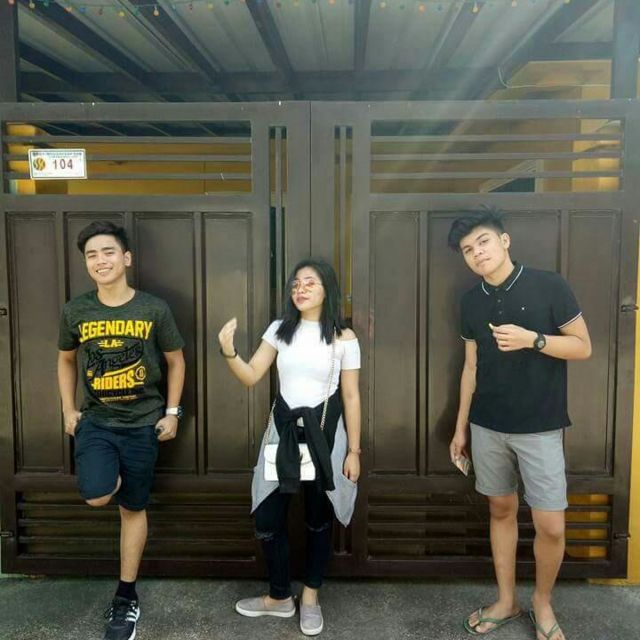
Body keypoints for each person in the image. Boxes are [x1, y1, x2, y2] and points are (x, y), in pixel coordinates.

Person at [448, 210, 591, 640]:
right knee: (500, 509)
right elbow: (470, 367)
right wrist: (460, 428)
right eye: (468, 250)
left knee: (551, 525)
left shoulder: (549, 285)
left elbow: (583, 347)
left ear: (505, 240)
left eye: (483, 242)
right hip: (487, 424)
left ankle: (542, 602)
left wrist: (534, 339)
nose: (477, 253)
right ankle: (506, 600)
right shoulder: (470, 302)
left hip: (541, 425)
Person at [218, 257, 361, 636]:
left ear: (327, 289)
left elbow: (351, 396)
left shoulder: (343, 337)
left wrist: (354, 451)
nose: (300, 289)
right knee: (267, 517)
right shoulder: (279, 329)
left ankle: (310, 597)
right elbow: (251, 375)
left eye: (310, 282)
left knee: (318, 518)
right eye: (296, 283)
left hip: (324, 436)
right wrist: (229, 351)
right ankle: (279, 597)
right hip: (282, 434)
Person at [57, 221, 185, 640]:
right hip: (96, 421)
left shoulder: (153, 309)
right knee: (97, 494)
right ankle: (107, 475)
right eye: (92, 255)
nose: (100, 261)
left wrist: (172, 413)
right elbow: (66, 359)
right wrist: (68, 409)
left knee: (133, 508)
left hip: (144, 424)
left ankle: (126, 597)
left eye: (108, 252)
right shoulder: (76, 311)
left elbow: (176, 360)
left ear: (126, 258)